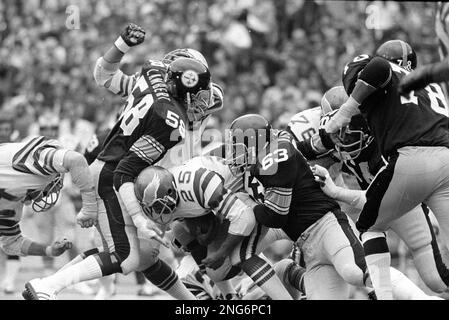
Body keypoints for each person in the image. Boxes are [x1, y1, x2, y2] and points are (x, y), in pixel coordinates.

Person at [23, 23, 222, 300]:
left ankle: (193, 301)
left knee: (145, 257)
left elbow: (102, 74)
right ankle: (47, 286)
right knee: (127, 255)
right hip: (120, 179)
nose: (203, 105)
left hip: (122, 175)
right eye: (199, 93)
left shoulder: (151, 78)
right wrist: (140, 218)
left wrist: (121, 44)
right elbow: (125, 172)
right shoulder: (170, 120)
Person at [313, 52, 449, 299]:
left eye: (353, 126)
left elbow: (377, 66)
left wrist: (347, 110)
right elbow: (311, 147)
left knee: (370, 227)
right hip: (443, 160)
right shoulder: (417, 90)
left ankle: (384, 295)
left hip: (410, 170)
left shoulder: (377, 101)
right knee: (438, 280)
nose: (345, 135)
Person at [134, 155, 294, 300]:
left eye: (160, 205)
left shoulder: (198, 184)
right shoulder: (174, 195)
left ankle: (278, 235)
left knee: (233, 260)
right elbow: (179, 224)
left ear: (171, 191)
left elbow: (244, 218)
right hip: (227, 209)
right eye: (152, 207)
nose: (157, 212)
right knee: (180, 231)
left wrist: (221, 252)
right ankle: (231, 295)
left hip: (246, 201)